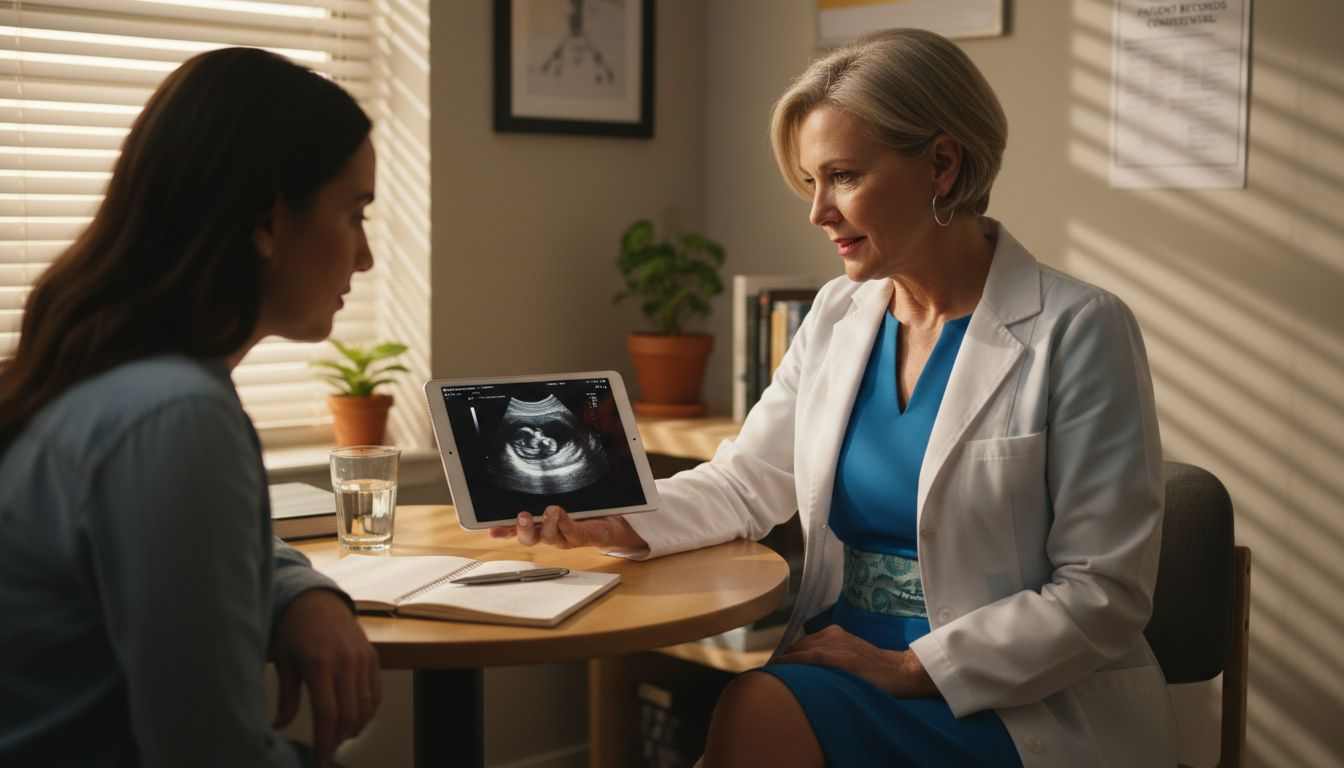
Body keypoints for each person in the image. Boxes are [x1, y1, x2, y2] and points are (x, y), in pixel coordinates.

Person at [492, 28, 1178, 767]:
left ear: (942, 165)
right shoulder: (836, 315)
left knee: (753, 711)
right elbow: (748, 481)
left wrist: (915, 667)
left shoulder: (1079, 328)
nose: (818, 212)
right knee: (755, 712)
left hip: (1011, 697)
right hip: (842, 654)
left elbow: (1103, 592)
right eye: (812, 182)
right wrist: (616, 518)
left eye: (843, 177)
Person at [0, 48, 382, 767]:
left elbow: (176, 552)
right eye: (354, 213)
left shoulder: (114, 379)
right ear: (268, 219)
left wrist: (298, 592)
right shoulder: (175, 417)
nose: (364, 258)